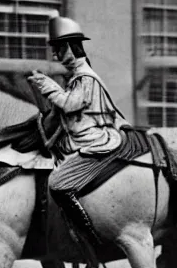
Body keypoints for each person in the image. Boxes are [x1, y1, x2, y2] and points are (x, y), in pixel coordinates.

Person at [27, 16, 130, 255]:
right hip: (79, 137)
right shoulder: (78, 77)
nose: (56, 55)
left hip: (92, 139)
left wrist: (46, 85)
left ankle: (87, 234)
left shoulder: (85, 77)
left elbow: (70, 104)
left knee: (58, 183)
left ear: (71, 49)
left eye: (59, 49)